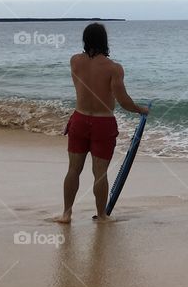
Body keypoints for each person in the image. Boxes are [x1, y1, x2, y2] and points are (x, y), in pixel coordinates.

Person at [58, 23, 149, 223]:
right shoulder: (113, 68)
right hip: (103, 124)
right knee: (100, 173)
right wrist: (141, 109)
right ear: (105, 41)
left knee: (73, 169)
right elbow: (124, 101)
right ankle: (101, 216)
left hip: (79, 120)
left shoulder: (75, 61)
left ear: (85, 40)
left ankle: (66, 214)